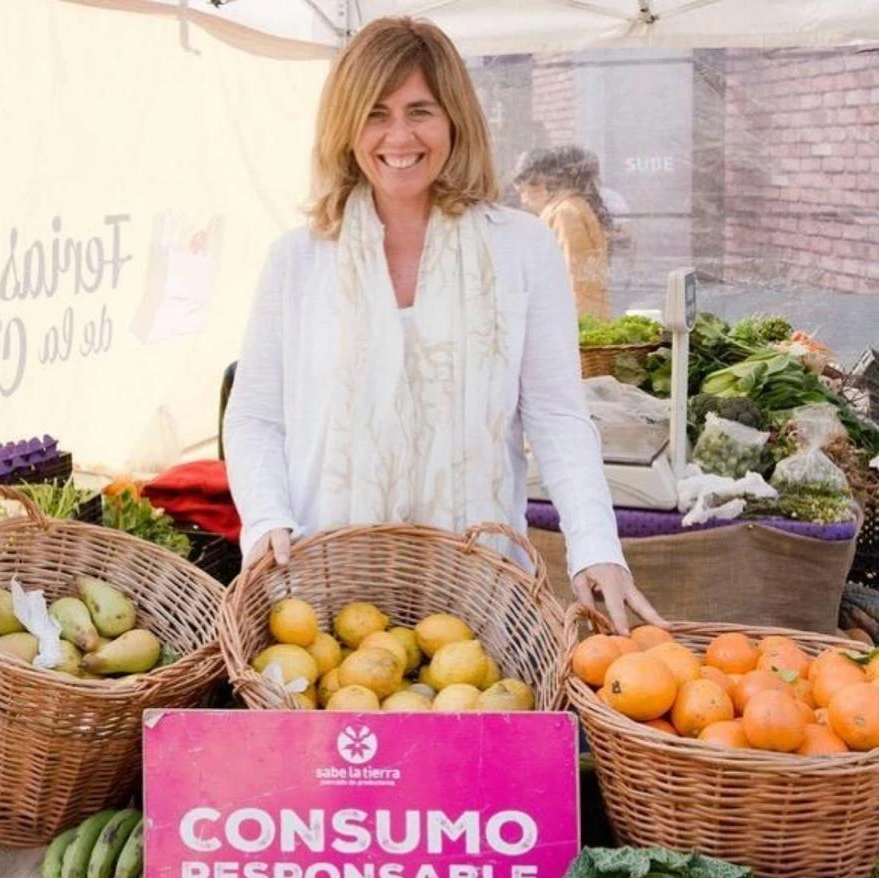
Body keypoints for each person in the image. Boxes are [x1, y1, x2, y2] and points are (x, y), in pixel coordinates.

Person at [222, 17, 664, 633]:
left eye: (420, 111)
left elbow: (557, 416)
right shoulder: (298, 259)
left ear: (455, 118)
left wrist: (595, 547)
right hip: (323, 596)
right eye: (375, 113)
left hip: (478, 594)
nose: (399, 136)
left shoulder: (520, 248)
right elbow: (254, 418)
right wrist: (267, 518)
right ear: (345, 125)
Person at [513, 146, 612, 319]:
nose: (523, 200)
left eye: (522, 190)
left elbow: (575, 276)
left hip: (578, 320)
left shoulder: (564, 213)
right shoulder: (567, 208)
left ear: (540, 182)